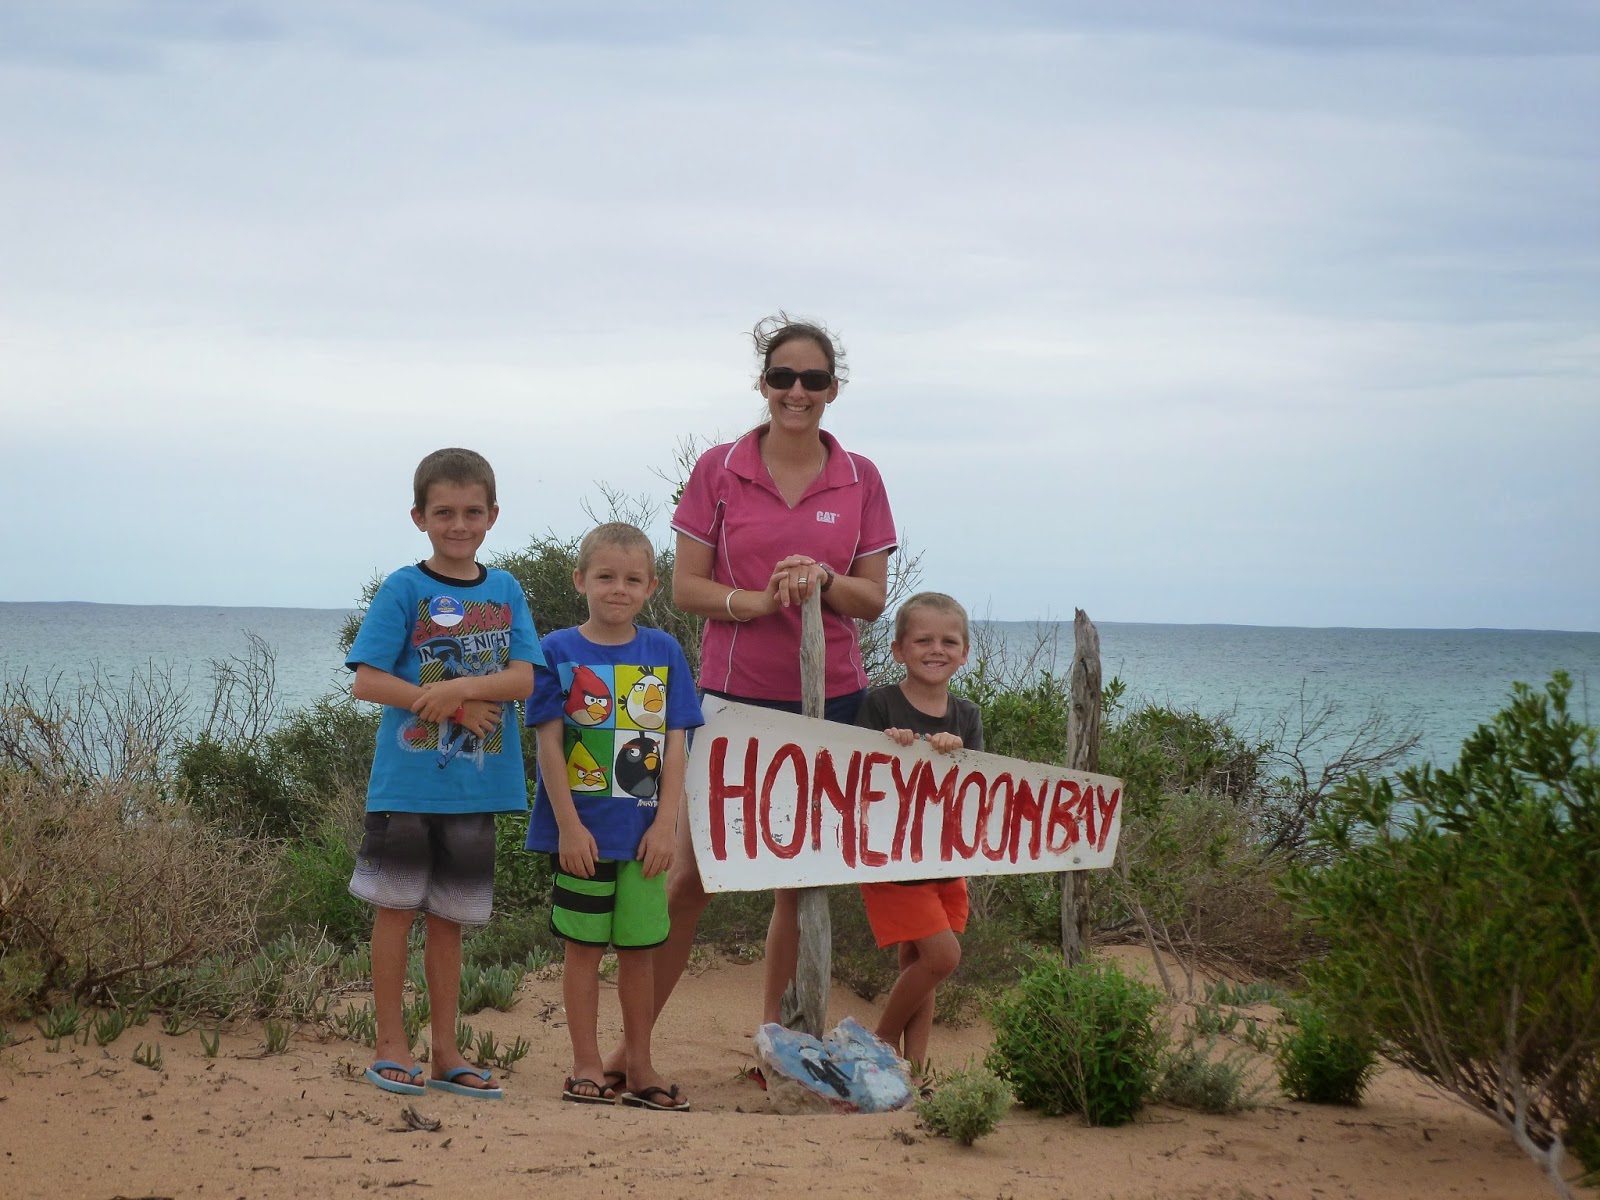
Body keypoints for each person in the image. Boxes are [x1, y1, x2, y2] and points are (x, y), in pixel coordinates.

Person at [598, 314, 896, 1086]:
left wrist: (823, 581)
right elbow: (686, 588)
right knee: (690, 880)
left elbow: (872, 599)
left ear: (833, 389)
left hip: (832, 703)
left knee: (799, 881)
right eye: (783, 377)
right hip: (730, 700)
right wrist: (759, 602)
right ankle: (632, 1050)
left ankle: (779, 1050)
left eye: (813, 379)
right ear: (763, 384)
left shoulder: (861, 476)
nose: (797, 392)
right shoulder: (719, 468)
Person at [346, 448, 541, 1098]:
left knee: (450, 923)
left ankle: (446, 1052)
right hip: (407, 788)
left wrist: (460, 688)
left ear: (492, 515)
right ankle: (390, 1044)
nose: (459, 525)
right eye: (445, 512)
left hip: (474, 791)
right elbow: (368, 681)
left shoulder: (505, 589)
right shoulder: (404, 588)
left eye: (472, 512)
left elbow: (523, 678)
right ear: (419, 517)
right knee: (395, 914)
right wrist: (452, 705)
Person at [525, 522, 703, 1111]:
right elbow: (549, 745)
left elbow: (676, 745)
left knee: (639, 952)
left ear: (651, 586)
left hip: (645, 838)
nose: (617, 589)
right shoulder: (555, 650)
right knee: (581, 950)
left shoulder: (664, 651)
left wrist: (666, 825)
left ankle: (639, 1065)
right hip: (583, 837)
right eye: (605, 576)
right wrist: (569, 827)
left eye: (631, 579)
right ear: (580, 580)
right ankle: (585, 1064)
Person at [855, 592, 983, 1073]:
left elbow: (978, 782)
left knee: (920, 964)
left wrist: (953, 750)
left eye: (949, 641)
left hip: (945, 860)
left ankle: (916, 1070)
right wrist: (891, 746)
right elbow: (857, 771)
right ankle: (884, 1039)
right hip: (893, 861)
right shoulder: (880, 704)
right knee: (943, 957)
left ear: (964, 652)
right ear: (898, 650)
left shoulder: (967, 715)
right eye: (923, 640)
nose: (936, 649)